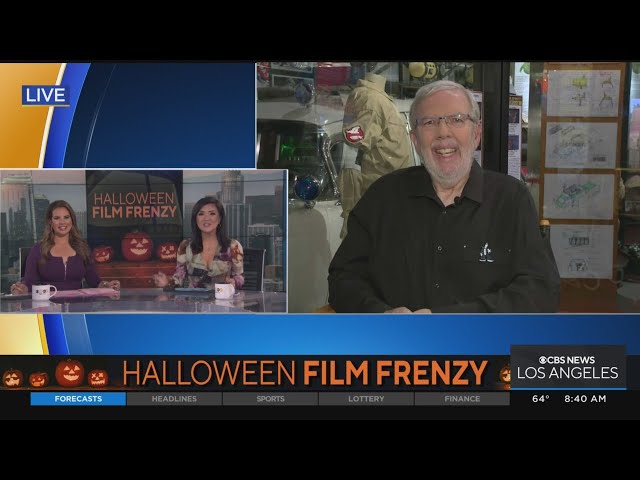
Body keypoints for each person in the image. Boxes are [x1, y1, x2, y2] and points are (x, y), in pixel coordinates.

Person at [328, 80, 560, 313]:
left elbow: (540, 290)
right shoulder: (383, 197)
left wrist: (448, 320)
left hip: (479, 338)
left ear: (477, 133)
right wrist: (381, 314)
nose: (443, 132)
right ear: (415, 140)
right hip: (398, 336)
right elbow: (343, 278)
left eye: (457, 119)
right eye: (429, 122)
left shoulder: (511, 200)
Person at [338, 72, 414, 238]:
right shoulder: (371, 100)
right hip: (378, 200)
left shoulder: (376, 100)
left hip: (388, 198)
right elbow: (353, 156)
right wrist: (350, 207)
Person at [10, 200, 120, 294]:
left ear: (72, 220)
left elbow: (94, 281)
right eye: (57, 218)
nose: (62, 222)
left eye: (66, 217)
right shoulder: (38, 249)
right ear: (50, 222)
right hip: (48, 306)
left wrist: (107, 285)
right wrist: (21, 289)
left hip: (78, 307)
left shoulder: (83, 248)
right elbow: (29, 282)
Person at [153, 196, 245, 290]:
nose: (206, 218)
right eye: (201, 214)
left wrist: (234, 282)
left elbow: (240, 277)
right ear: (195, 219)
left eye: (212, 213)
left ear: (220, 219)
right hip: (193, 298)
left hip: (222, 298)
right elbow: (179, 277)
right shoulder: (185, 246)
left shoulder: (233, 246)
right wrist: (167, 282)